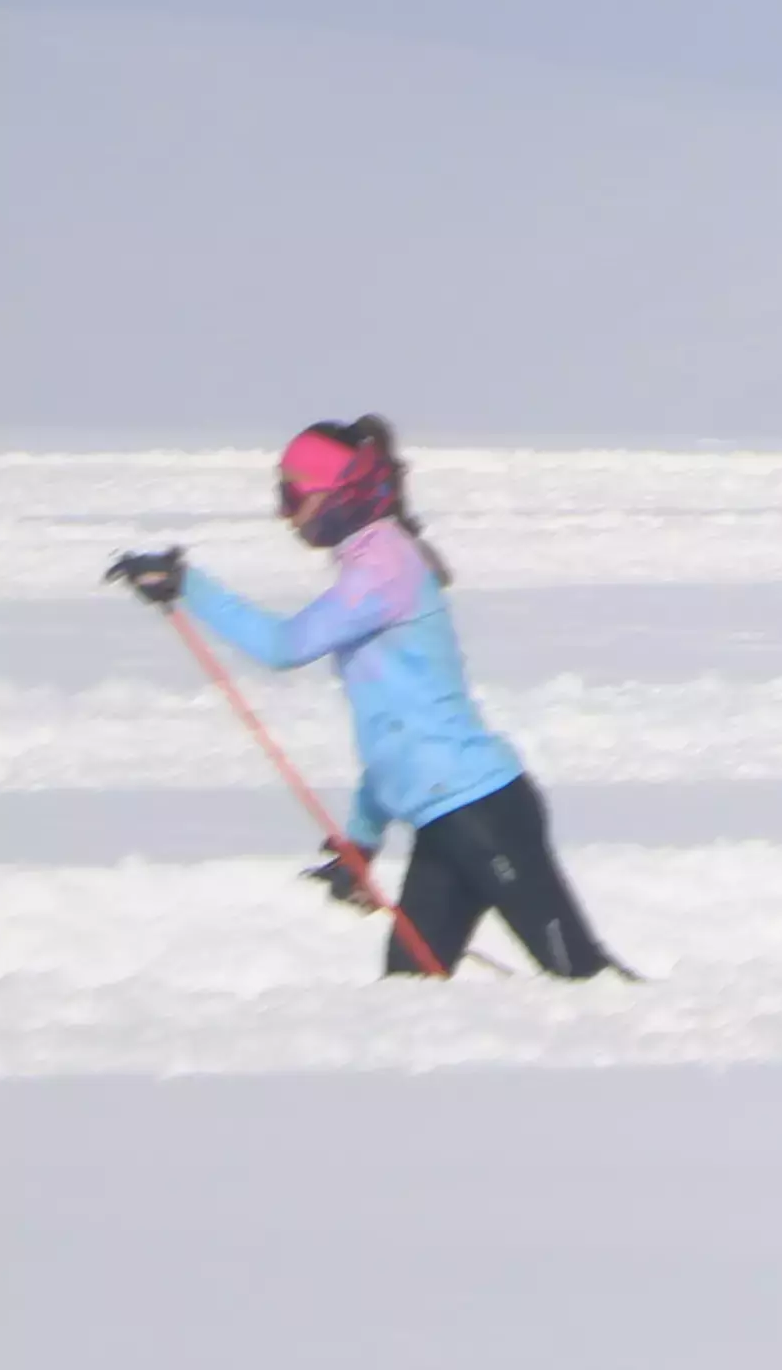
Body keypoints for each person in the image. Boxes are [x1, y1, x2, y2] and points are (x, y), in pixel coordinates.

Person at [102, 417, 626, 977]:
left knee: (581, 978)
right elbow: (388, 744)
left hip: (481, 810)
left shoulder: (384, 567)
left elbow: (284, 646)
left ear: (341, 492)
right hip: (445, 822)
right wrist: (361, 845)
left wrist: (188, 585)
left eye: (290, 496)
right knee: (409, 994)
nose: (284, 515)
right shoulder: (370, 566)